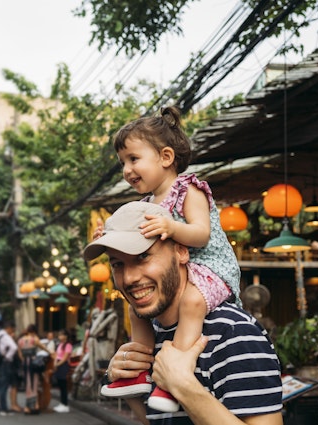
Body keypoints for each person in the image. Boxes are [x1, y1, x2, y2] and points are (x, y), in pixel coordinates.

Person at [85, 201, 282, 425]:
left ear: (181, 251)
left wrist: (183, 386)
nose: (129, 278)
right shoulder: (154, 333)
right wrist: (125, 382)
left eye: (143, 257)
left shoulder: (233, 332)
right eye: (118, 264)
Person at [98, 106, 242, 413]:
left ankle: (174, 373)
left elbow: (201, 234)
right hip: (183, 271)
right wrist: (106, 233)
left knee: (191, 303)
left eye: (133, 159)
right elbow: (131, 239)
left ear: (165, 157)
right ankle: (139, 367)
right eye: (123, 162)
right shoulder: (146, 202)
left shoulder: (190, 189)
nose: (126, 169)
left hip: (210, 268)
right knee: (136, 309)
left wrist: (171, 227)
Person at [17, 324, 50, 414]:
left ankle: (28, 407)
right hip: (33, 363)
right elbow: (43, 347)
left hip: (25, 364)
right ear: (35, 331)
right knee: (34, 384)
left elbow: (19, 353)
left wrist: (23, 360)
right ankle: (35, 406)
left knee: (27, 384)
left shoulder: (21, 340)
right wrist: (51, 352)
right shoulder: (34, 339)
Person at [0, 320, 18, 416]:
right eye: (12, 329)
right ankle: (3, 408)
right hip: (4, 363)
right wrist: (8, 357)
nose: (12, 332)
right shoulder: (5, 336)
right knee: (4, 386)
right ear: (9, 328)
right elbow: (14, 347)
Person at [51, 328, 74, 413]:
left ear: (66, 336)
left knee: (64, 386)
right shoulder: (60, 344)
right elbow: (56, 355)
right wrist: (54, 363)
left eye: (61, 335)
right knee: (60, 385)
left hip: (63, 365)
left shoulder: (68, 345)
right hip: (58, 364)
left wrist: (57, 364)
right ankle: (62, 403)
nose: (60, 336)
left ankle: (65, 404)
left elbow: (65, 358)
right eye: (59, 335)